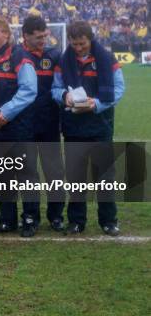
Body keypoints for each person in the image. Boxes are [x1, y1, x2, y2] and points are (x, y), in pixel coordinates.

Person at [52, 20, 125, 236]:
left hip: (100, 126)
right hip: (73, 128)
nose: (78, 48)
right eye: (74, 44)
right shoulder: (64, 61)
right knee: (75, 178)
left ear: (90, 39)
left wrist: (97, 104)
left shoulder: (106, 58)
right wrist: (64, 96)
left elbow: (119, 88)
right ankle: (76, 221)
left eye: (82, 44)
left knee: (105, 176)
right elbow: (55, 89)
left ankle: (108, 220)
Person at [0, 15, 40, 237]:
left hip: (19, 128)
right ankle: (7, 220)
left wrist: (6, 112)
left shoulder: (19, 57)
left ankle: (30, 219)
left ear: (7, 34)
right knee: (2, 176)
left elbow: (29, 90)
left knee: (26, 176)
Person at [21, 15, 66, 231]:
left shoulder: (55, 55)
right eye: (38, 37)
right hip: (25, 125)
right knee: (28, 172)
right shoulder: (17, 55)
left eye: (44, 36)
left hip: (49, 124)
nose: (42, 41)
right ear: (25, 36)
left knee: (54, 171)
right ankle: (30, 217)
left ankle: (56, 215)